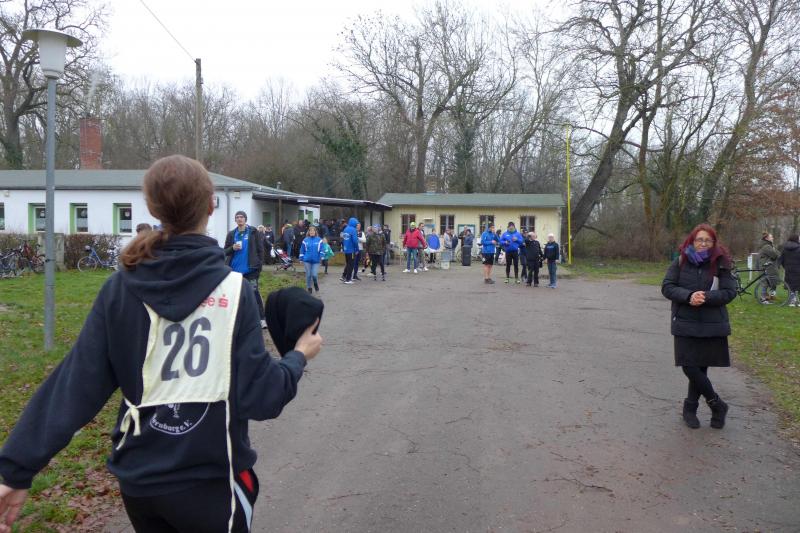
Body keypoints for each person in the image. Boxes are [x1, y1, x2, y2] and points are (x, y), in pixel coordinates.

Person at [0, 155, 323, 533]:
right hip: (210, 484)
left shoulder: (120, 288)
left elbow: (75, 386)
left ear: (152, 209)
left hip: (140, 486)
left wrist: (16, 468)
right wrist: (298, 356)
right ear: (211, 205)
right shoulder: (235, 292)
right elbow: (262, 397)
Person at [662, 223, 736, 430]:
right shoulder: (680, 261)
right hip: (685, 321)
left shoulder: (721, 262)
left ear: (714, 242)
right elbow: (667, 287)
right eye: (699, 240)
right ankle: (717, 404)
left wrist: (706, 297)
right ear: (692, 241)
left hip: (711, 323)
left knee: (701, 366)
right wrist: (688, 296)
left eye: (707, 240)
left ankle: (690, 409)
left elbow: (730, 292)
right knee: (689, 365)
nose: (703, 243)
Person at [224, 210, 267, 329]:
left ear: (245, 219)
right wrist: (232, 248)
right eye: (237, 217)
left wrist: (259, 266)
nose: (239, 219)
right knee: (236, 296)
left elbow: (260, 250)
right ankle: (240, 320)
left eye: (241, 217)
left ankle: (261, 319)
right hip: (234, 272)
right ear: (235, 220)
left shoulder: (253, 232)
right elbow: (225, 251)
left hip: (251, 271)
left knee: (254, 294)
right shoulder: (231, 234)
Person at [299, 226, 323, 294]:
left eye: (313, 231)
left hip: (316, 261)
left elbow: (322, 249)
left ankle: (315, 283)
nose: (312, 232)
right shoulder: (305, 240)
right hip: (307, 260)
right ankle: (309, 288)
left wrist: (321, 256)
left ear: (315, 232)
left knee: (314, 275)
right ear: (309, 232)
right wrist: (301, 258)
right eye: (310, 231)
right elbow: (302, 250)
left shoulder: (319, 240)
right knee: (308, 275)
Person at [778, 234, 800, 307]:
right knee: (797, 285)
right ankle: (795, 301)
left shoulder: (785, 248)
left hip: (788, 269)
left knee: (790, 285)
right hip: (798, 269)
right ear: (796, 239)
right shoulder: (799, 248)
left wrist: (785, 267)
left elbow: (781, 259)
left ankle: (792, 301)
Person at [758, 232, 780, 304]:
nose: (773, 238)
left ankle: (768, 297)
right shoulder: (767, 246)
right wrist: (775, 252)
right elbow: (775, 255)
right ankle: (763, 299)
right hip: (767, 267)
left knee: (768, 282)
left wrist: (775, 252)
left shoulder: (769, 245)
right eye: (771, 237)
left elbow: (778, 254)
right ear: (767, 238)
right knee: (765, 283)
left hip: (769, 267)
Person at [340, 217, 359, 284]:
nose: (356, 225)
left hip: (346, 249)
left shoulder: (346, 229)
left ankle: (344, 277)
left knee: (348, 263)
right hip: (351, 250)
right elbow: (355, 241)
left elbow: (343, 239)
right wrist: (356, 249)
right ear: (354, 223)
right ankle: (348, 279)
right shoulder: (353, 230)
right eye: (356, 224)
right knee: (351, 265)